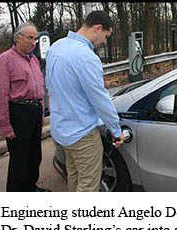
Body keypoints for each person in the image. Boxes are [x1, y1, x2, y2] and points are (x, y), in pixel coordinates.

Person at [45, 10, 124, 192]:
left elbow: (52, 87)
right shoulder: (87, 58)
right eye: (106, 36)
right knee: (88, 186)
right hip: (82, 134)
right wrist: (115, 129)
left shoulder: (56, 47)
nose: (104, 42)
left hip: (61, 131)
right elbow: (100, 99)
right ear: (98, 28)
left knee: (74, 177)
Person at [0, 22, 49, 192]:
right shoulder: (5, 60)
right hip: (19, 114)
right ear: (18, 38)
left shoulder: (33, 60)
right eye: (30, 38)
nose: (33, 42)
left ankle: (31, 188)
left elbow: (39, 89)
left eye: (36, 39)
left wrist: (41, 115)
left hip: (34, 112)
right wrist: (5, 125)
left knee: (34, 156)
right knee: (20, 161)